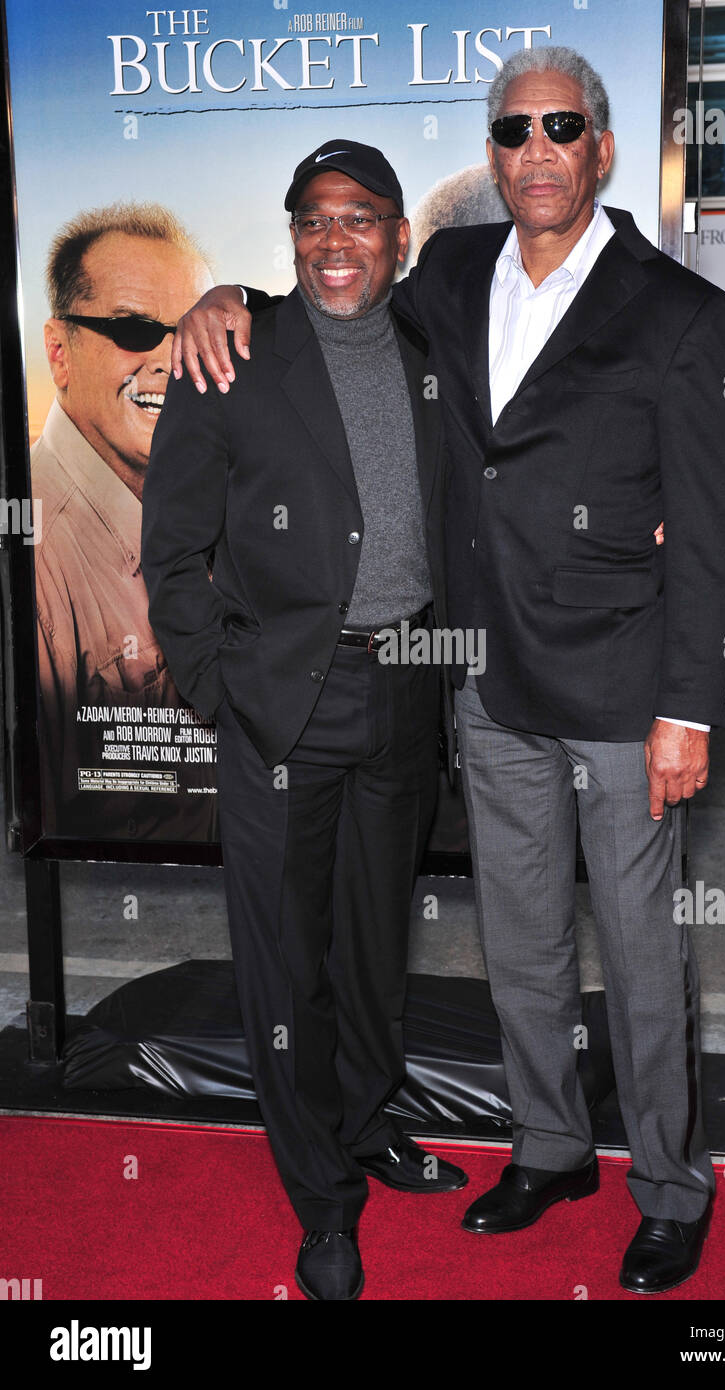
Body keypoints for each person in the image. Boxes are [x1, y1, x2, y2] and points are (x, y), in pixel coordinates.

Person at [170, 45, 725, 1295]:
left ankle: (667, 1182)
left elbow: (708, 527)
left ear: (598, 145)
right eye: (512, 132)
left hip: (619, 685)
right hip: (482, 682)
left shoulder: (679, 311)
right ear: (491, 156)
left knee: (642, 947)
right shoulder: (451, 271)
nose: (535, 151)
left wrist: (687, 705)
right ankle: (547, 1147)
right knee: (523, 937)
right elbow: (328, 296)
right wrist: (217, 294)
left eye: (560, 128)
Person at [141, 141, 467, 1302]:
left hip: (406, 693)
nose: (337, 243)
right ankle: (322, 1197)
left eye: (362, 220)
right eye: (315, 222)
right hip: (284, 700)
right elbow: (171, 555)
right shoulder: (231, 354)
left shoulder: (435, 346)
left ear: (398, 239)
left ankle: (370, 1118)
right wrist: (223, 691)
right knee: (288, 965)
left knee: (377, 944)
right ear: (292, 239)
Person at [32, 202, 218, 840]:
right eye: (134, 329)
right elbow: (41, 834)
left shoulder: (202, 503)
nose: (170, 360)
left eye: (188, 332)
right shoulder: (34, 560)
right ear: (59, 353)